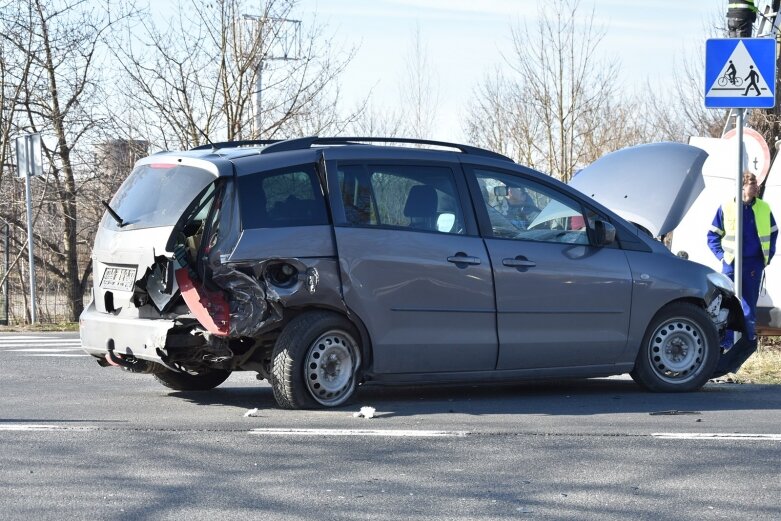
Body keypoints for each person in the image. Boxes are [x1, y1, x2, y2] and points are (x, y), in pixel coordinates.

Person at [707, 171, 778, 375]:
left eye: (756, 184)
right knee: (725, 306)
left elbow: (773, 233)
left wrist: (767, 256)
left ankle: (741, 352)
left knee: (748, 309)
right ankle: (722, 346)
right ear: (742, 187)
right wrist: (721, 255)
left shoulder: (764, 208)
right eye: (752, 184)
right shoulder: (727, 207)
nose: (756, 187)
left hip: (753, 265)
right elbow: (712, 234)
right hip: (731, 264)